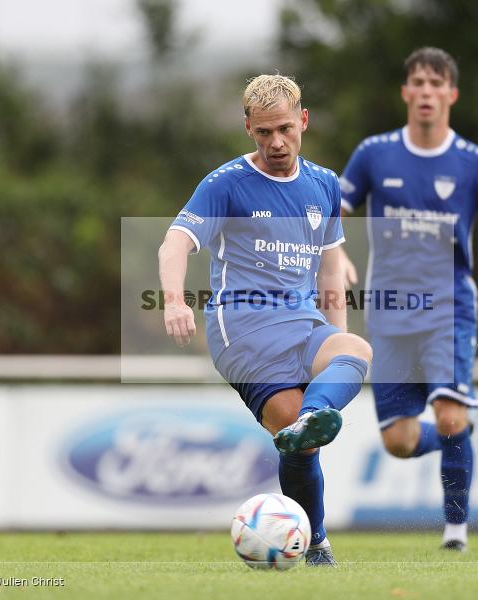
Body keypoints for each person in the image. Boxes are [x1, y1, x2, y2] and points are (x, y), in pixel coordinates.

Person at [337, 47, 478, 551]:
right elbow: (329, 213)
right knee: (398, 443)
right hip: (388, 314)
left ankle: (456, 530)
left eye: (435, 83)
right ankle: (458, 436)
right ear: (405, 92)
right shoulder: (374, 153)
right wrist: (335, 258)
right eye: (417, 82)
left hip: (449, 310)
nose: (426, 91)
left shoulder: (477, 164)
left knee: (447, 413)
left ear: (451, 94)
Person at [158, 74, 372, 566]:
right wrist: (173, 299)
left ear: (303, 120)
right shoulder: (226, 184)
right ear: (248, 129)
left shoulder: (323, 184)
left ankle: (314, 419)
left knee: (356, 349)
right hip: (244, 330)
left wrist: (333, 336)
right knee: (300, 446)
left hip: (303, 323)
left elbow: (331, 271)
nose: (276, 142)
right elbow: (175, 242)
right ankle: (317, 542)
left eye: (284, 130)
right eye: (263, 133)